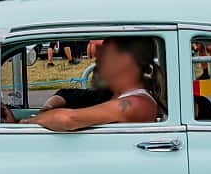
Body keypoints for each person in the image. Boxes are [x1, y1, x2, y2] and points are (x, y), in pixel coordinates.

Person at [26, 36, 162, 129]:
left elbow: (68, 119)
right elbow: (71, 96)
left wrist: (27, 122)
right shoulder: (114, 96)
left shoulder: (134, 104)